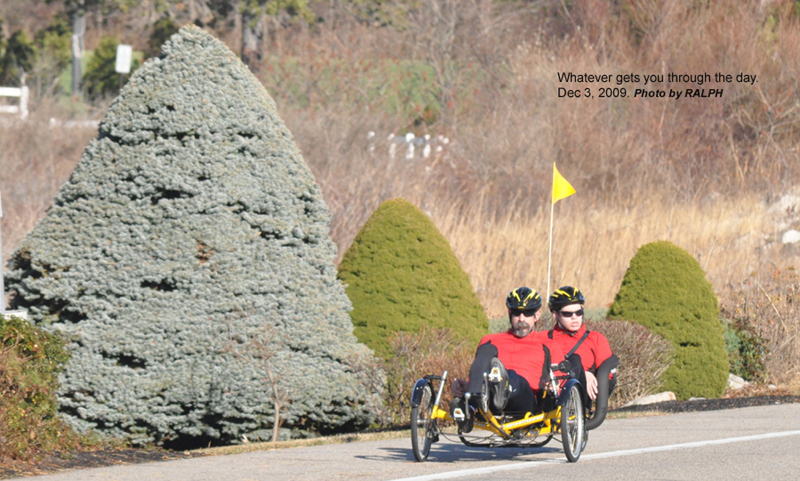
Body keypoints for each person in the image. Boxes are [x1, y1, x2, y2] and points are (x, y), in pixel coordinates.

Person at [450, 287, 565, 432]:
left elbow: (561, 380)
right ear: (509, 313)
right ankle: (470, 409)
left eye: (528, 313)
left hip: (526, 402)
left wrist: (552, 384)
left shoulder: (548, 345)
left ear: (537, 315)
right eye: (516, 313)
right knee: (487, 349)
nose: (521, 319)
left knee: (512, 376)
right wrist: (464, 387)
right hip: (489, 401)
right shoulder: (490, 340)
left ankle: (503, 385)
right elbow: (478, 375)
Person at [543, 286, 615, 401]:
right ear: (556, 315)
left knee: (575, 360)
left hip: (581, 396)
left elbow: (609, 377)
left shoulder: (595, 339)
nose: (574, 317)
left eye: (578, 312)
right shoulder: (544, 338)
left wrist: (586, 374)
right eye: (568, 314)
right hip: (548, 391)